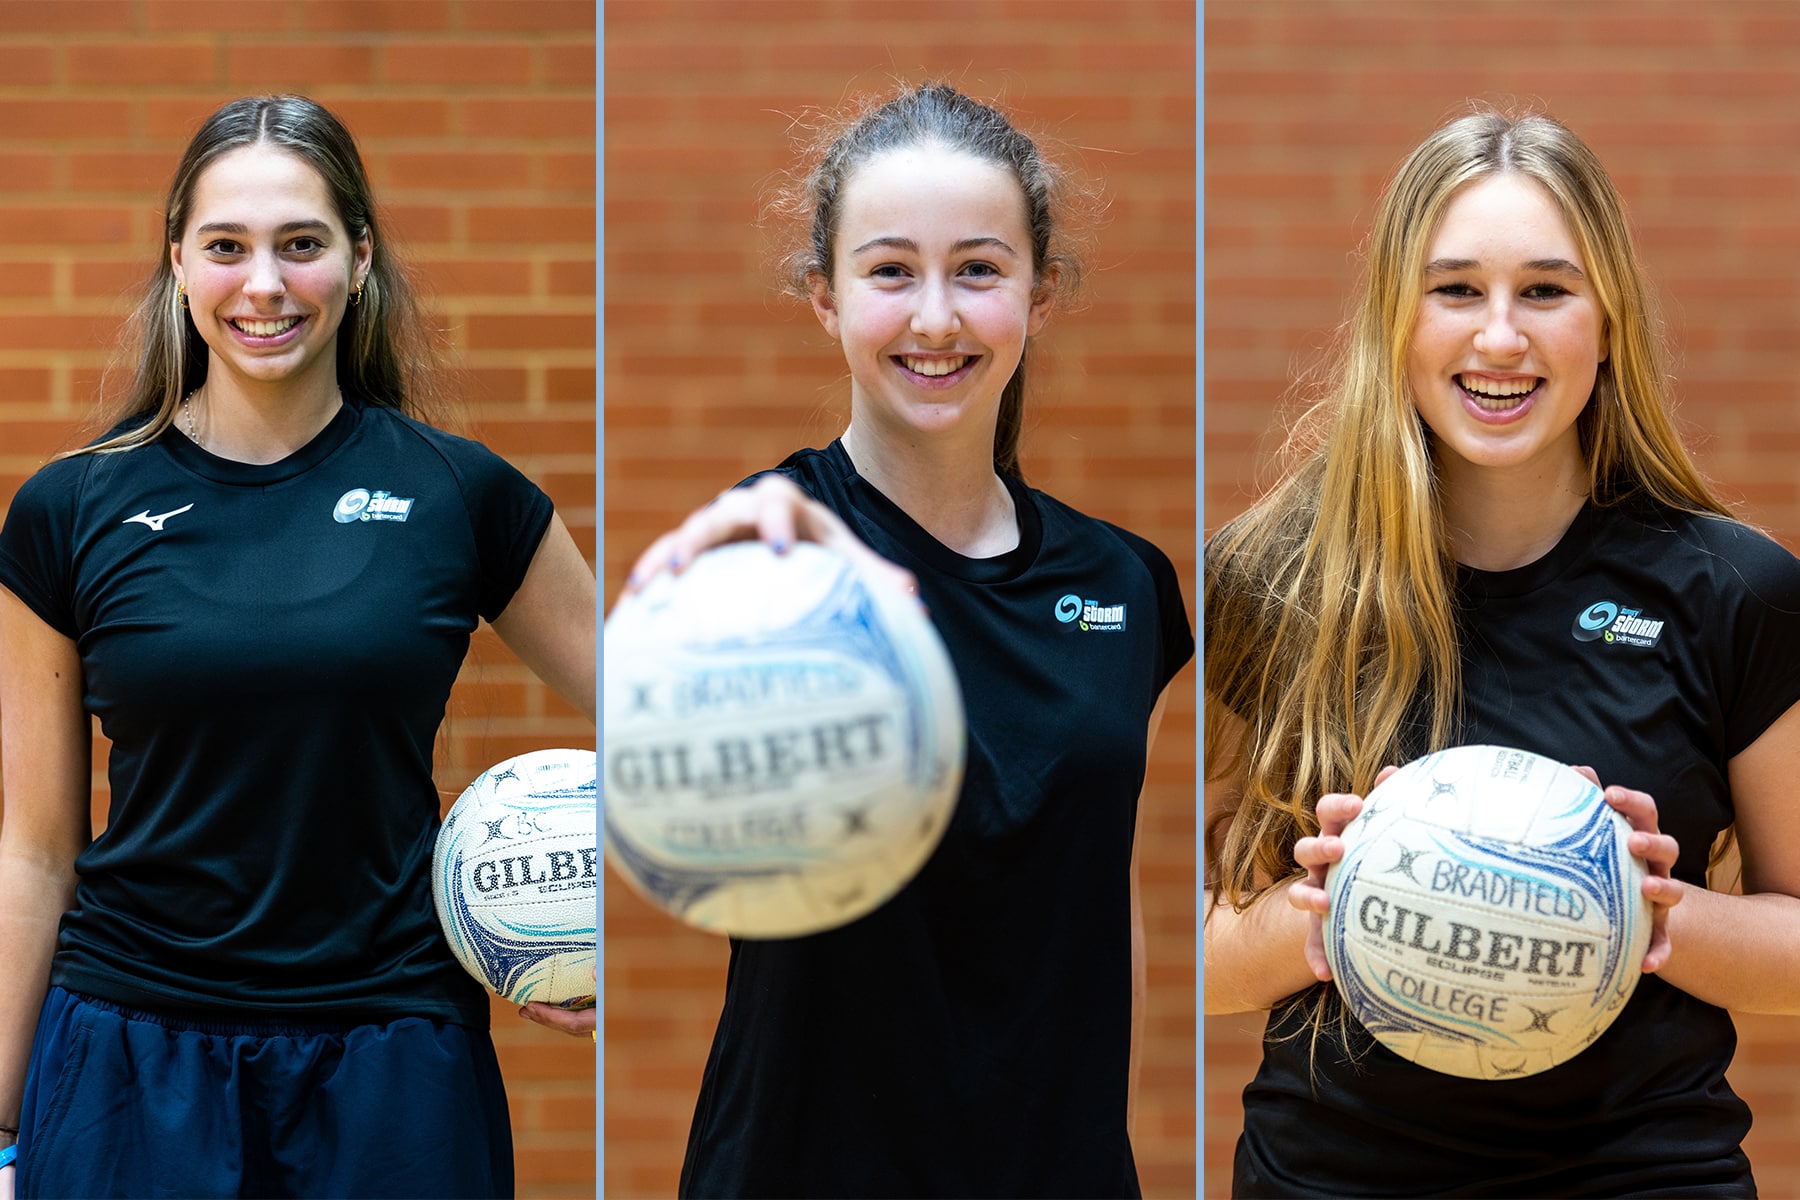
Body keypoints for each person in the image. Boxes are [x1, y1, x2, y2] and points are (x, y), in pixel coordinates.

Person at [0, 95, 597, 1198]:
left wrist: (580, 923)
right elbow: (34, 849)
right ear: (178, 261)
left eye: (303, 245)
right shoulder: (69, 510)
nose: (264, 285)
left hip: (392, 1059)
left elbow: (658, 725)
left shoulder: (463, 495)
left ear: (360, 260)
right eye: (226, 247)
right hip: (133, 1054)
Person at [1204, 107, 1800, 1197]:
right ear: (1396, 316)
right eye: (1457, 289)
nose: (1499, 338)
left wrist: (1649, 911)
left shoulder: (1735, 591)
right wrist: (1331, 910)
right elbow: (1196, 948)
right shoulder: (1272, 579)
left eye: (1545, 290)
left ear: (1608, 318)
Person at [621, 83, 1193, 1197]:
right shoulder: (762, 553)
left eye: (978, 269)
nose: (936, 316)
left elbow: (1097, 878)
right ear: (824, 297)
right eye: (890, 271)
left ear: (1042, 292)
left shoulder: (1122, 584)